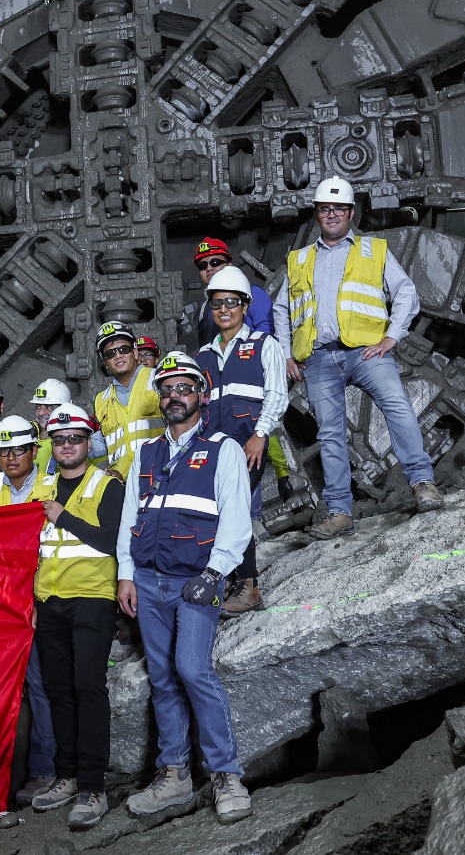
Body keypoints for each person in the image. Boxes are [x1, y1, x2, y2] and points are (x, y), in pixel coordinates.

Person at [116, 352, 252, 826]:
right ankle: (174, 775)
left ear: (202, 394)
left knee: (193, 669)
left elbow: (237, 520)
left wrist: (214, 574)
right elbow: (130, 516)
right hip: (149, 582)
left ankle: (225, 774)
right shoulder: (147, 453)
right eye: (167, 389)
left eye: (183, 388)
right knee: (162, 677)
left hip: (197, 581)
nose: (175, 396)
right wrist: (126, 574)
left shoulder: (223, 449)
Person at [272, 177, 442, 539]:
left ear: (350, 213)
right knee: (330, 433)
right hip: (318, 358)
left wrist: (391, 337)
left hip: (365, 353)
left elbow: (406, 292)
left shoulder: (373, 249)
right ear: (317, 214)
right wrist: (287, 354)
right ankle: (339, 513)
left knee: (397, 406)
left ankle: (423, 483)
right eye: (324, 209)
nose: (330, 214)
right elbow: (281, 309)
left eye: (338, 209)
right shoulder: (300, 260)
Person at [26, 404, 123, 831]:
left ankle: (92, 786)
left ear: (88, 442)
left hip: (92, 598)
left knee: (87, 687)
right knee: (58, 689)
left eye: (75, 439)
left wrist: (64, 517)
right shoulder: (42, 487)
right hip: (49, 601)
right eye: (60, 439)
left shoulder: (107, 485)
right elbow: (27, 545)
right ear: (52, 444)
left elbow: (112, 541)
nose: (67, 446)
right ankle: (65, 776)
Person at [0, 415, 60, 806]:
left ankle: (45, 771)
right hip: (1, 602)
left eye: (18, 449)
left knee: (40, 687)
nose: (10, 458)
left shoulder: (52, 486)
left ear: (34, 451)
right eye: (3, 451)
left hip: (40, 599)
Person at [195, 267, 287, 615]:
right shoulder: (203, 356)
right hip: (212, 448)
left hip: (248, 445)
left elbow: (277, 396)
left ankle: (249, 587)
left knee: (233, 509)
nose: (224, 309)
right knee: (216, 512)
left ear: (246, 306)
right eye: (218, 303)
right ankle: (233, 578)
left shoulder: (264, 345)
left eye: (231, 302)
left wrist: (260, 435)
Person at [92, 321, 164, 479]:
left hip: (160, 477)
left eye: (123, 349)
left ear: (136, 352)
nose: (117, 356)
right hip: (122, 483)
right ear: (104, 361)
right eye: (110, 353)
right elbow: (103, 444)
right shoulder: (101, 400)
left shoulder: (159, 380)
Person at [188, 239, 272, 346]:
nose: (209, 268)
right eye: (203, 266)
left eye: (215, 262)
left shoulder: (253, 293)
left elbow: (266, 333)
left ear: (229, 265)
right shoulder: (205, 306)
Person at [30, 378, 73, 473]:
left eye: (49, 407)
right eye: (38, 407)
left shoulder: (73, 443)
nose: (41, 413)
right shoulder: (26, 441)